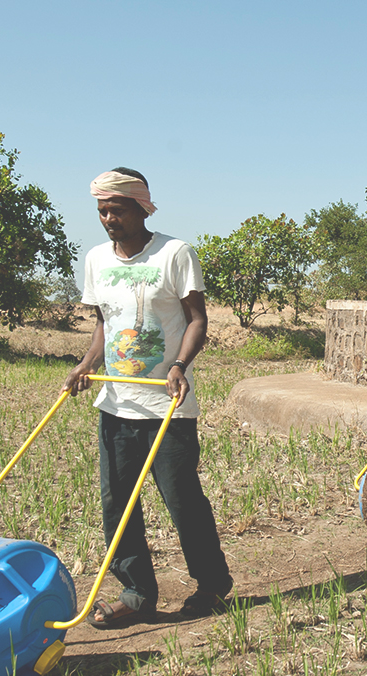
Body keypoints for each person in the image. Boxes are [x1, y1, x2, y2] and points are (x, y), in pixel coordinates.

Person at [63, 168, 234, 629]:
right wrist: (86, 364)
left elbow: (196, 319)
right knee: (116, 504)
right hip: (116, 404)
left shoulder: (174, 253)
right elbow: (104, 323)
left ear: (142, 207)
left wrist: (178, 366)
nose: (107, 218)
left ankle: (212, 583)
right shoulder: (97, 259)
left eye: (116, 209)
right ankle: (137, 593)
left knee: (182, 500)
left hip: (167, 404)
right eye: (102, 210)